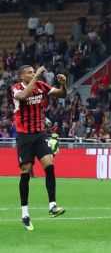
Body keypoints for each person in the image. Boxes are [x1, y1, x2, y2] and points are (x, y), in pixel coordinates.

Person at [12, 65, 68, 231]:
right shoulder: (15, 88)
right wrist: (36, 76)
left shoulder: (41, 86)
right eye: (29, 73)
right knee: (26, 172)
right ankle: (25, 214)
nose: (32, 74)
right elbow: (23, 96)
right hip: (24, 136)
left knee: (49, 165)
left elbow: (62, 94)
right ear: (22, 76)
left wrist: (63, 84)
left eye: (33, 72)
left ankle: (52, 206)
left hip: (39, 134)